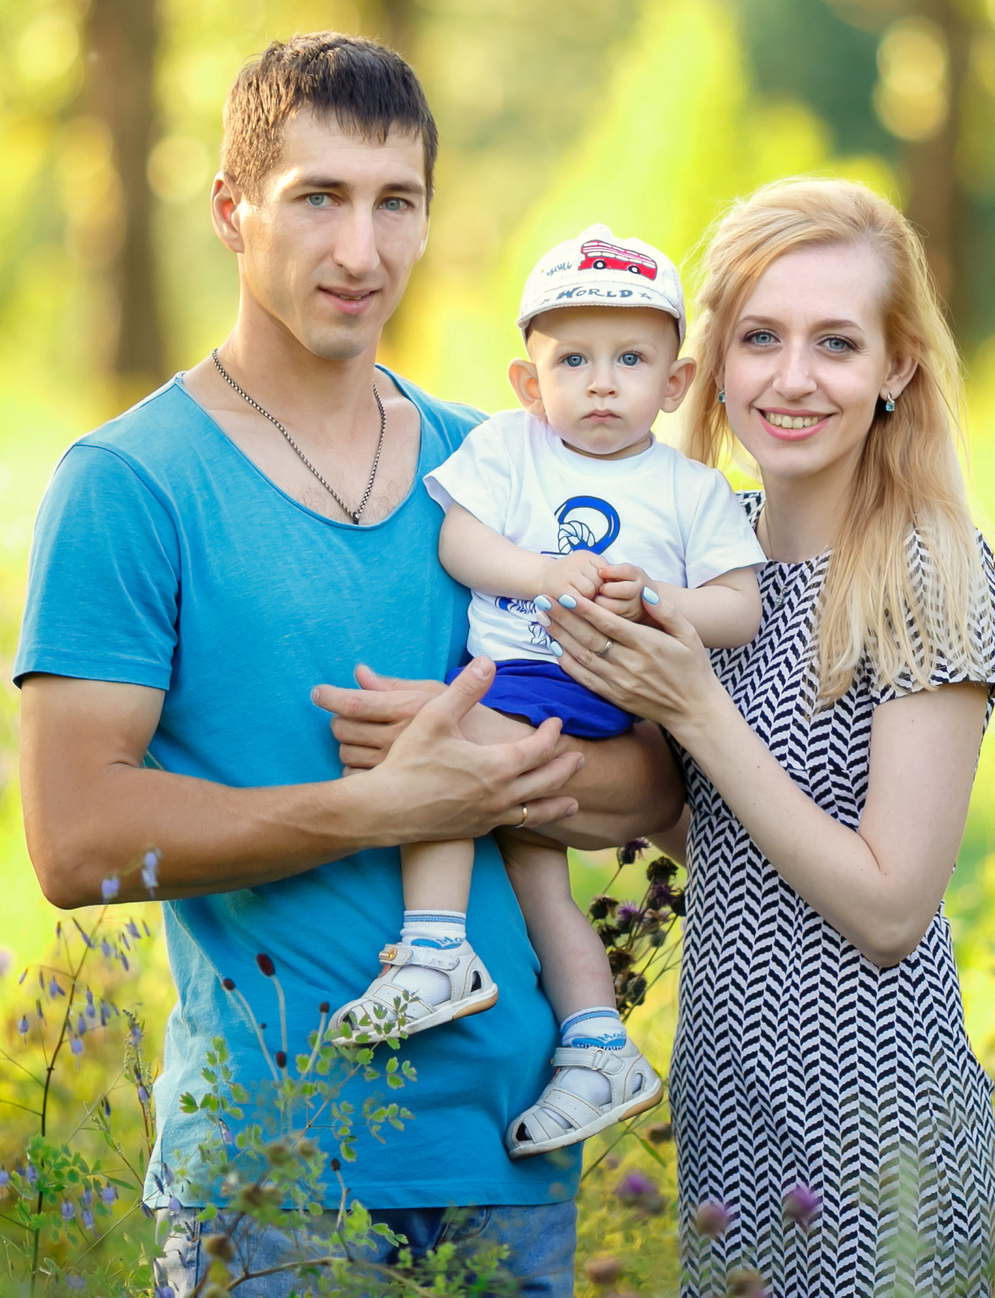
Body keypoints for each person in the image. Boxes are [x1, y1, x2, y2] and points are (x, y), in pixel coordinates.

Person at [11, 34, 680, 1298]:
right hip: (271, 1175)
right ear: (231, 210)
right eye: (318, 198)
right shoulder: (128, 485)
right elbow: (75, 841)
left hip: (511, 1153)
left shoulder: (511, 469)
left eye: (397, 203)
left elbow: (648, 790)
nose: (361, 253)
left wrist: (481, 762)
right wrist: (379, 810)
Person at [324, 177, 995, 1297]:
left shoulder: (926, 571)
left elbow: (890, 910)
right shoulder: (710, 555)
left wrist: (695, 705)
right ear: (713, 366)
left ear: (895, 370)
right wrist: (457, 739)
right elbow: (688, 826)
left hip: (875, 1124)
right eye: (760, 339)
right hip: (730, 1108)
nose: (791, 378)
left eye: (836, 344)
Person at [328, 224, 766, 1161]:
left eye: (631, 358)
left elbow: (740, 607)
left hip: (599, 680)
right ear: (531, 382)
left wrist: (648, 597)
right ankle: (599, 1043)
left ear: (678, 383)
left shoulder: (689, 490)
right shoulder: (509, 447)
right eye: (573, 359)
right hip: (516, 670)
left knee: (440, 751)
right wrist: (539, 573)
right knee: (539, 878)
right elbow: (461, 543)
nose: (601, 381)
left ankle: (438, 945)